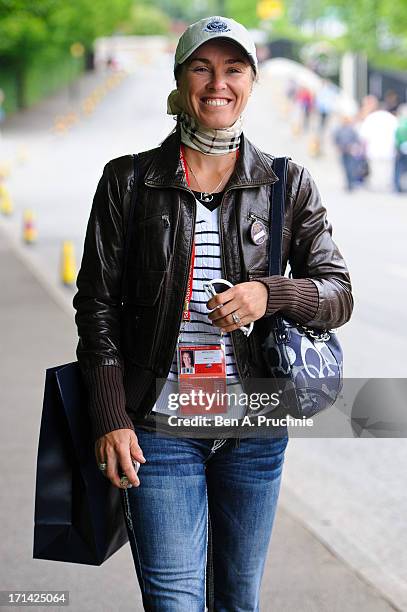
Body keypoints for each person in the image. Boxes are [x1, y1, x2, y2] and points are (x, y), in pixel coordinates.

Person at [72, 15, 353, 611]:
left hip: (253, 426)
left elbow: (337, 293)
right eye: (202, 67)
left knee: (237, 600)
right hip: (159, 428)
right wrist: (109, 416)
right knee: (175, 603)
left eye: (233, 69)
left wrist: (270, 294)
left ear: (251, 82)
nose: (217, 82)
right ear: (179, 80)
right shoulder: (127, 181)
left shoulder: (286, 183)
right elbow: (96, 306)